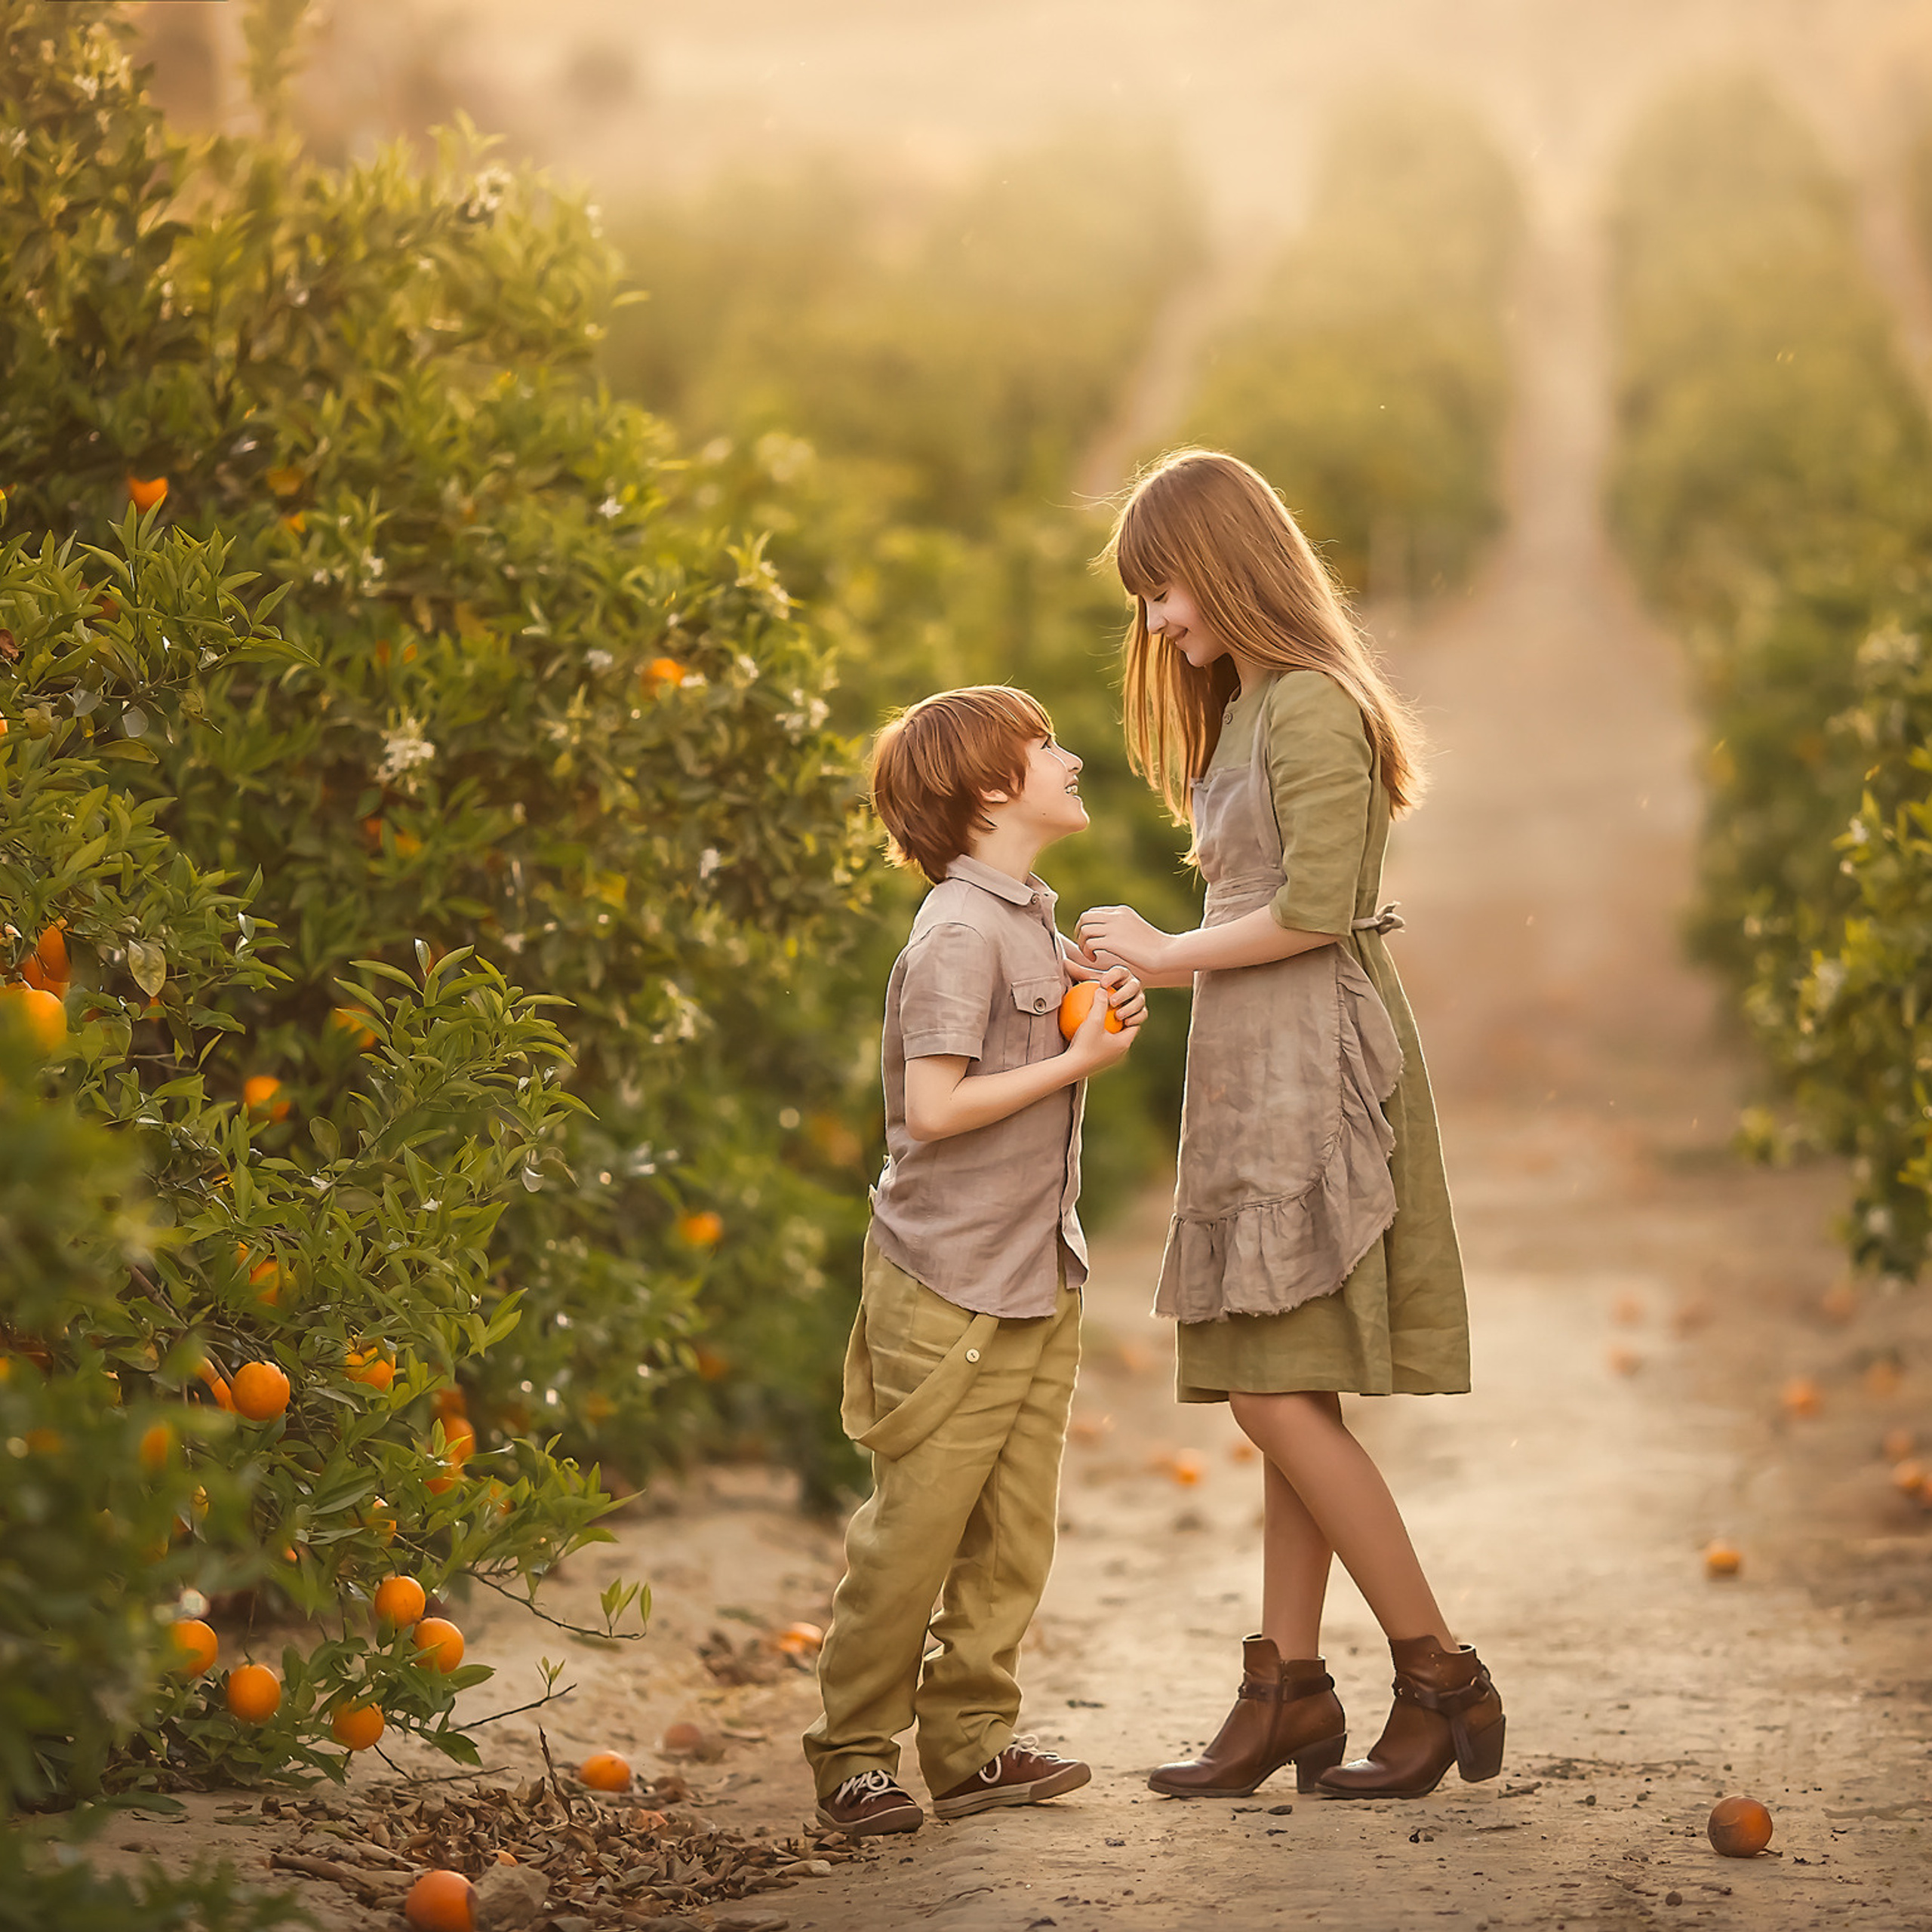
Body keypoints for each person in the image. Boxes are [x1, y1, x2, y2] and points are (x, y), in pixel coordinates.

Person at [1076, 450, 1504, 1803]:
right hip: (1254, 1061)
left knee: (1271, 1391)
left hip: (1310, 1061)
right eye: (1145, 599)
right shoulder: (1253, 707)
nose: (1158, 621)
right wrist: (1157, 966)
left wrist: (1164, 953)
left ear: (1232, 565)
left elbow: (1316, 911)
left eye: (1167, 589)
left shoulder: (1313, 703)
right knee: (1288, 1382)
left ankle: (1440, 1671)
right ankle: (1288, 1693)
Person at [803, 684, 1146, 1835]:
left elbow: (1035, 1044)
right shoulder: (957, 931)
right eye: (1044, 747)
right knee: (914, 1533)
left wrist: (1100, 1007)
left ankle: (971, 1747)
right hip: (948, 1284)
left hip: (1036, 1269)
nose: (1070, 758)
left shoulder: (1031, 919)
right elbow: (935, 1109)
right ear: (992, 791)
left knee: (1012, 1535)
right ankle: (853, 1758)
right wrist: (1078, 1065)